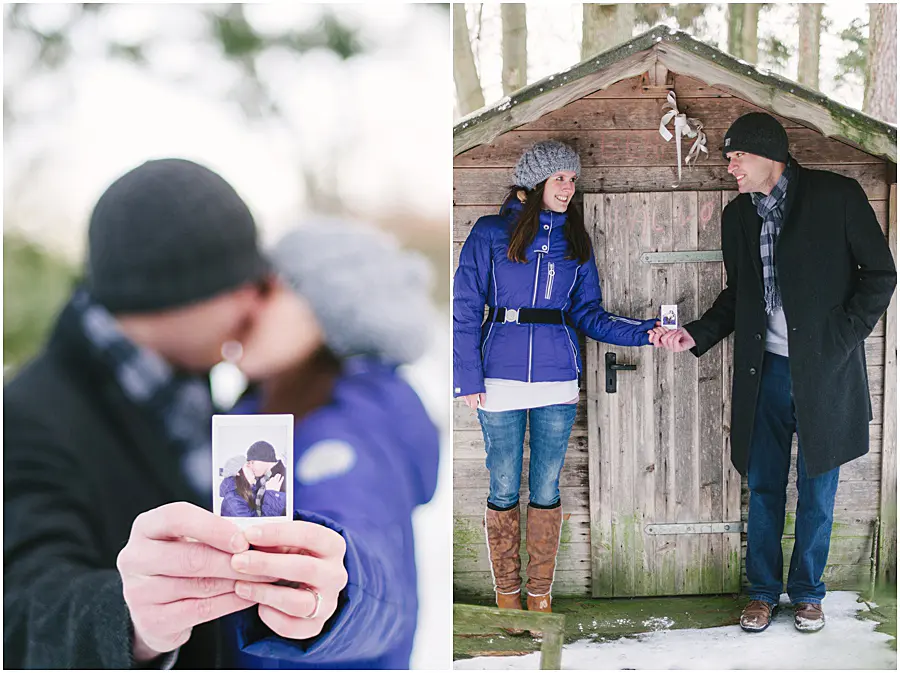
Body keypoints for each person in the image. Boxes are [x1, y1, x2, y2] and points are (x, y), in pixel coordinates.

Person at [3, 159, 348, 668]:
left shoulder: (188, 377)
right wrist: (130, 620)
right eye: (244, 286)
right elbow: (23, 604)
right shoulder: (27, 416)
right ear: (175, 297)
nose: (257, 303)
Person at [652, 113, 896, 633]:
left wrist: (842, 337)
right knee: (762, 487)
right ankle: (762, 592)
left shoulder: (837, 197)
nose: (730, 166)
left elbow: (879, 274)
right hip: (765, 374)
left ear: (769, 155)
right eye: (728, 157)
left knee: (817, 489)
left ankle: (808, 593)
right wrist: (697, 333)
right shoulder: (738, 216)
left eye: (737, 156)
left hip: (826, 373)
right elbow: (739, 295)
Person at [453, 140, 663, 619]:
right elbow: (465, 308)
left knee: (546, 485)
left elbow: (589, 314)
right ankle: (507, 595)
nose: (569, 187)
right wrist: (467, 378)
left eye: (573, 179)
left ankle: (540, 595)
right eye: (560, 178)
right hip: (497, 380)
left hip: (558, 382)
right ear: (535, 183)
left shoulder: (576, 241)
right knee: (504, 483)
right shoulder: (489, 233)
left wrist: (646, 333)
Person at [221, 220, 440, 668]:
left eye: (266, 288)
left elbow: (360, 527)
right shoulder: (270, 404)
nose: (245, 303)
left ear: (325, 312)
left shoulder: (347, 425)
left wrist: (337, 588)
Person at [220, 441, 287, 518]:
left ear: (263, 459)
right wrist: (272, 496)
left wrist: (273, 495)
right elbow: (253, 524)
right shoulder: (233, 500)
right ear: (238, 473)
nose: (251, 467)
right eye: (248, 465)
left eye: (252, 462)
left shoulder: (282, 479)